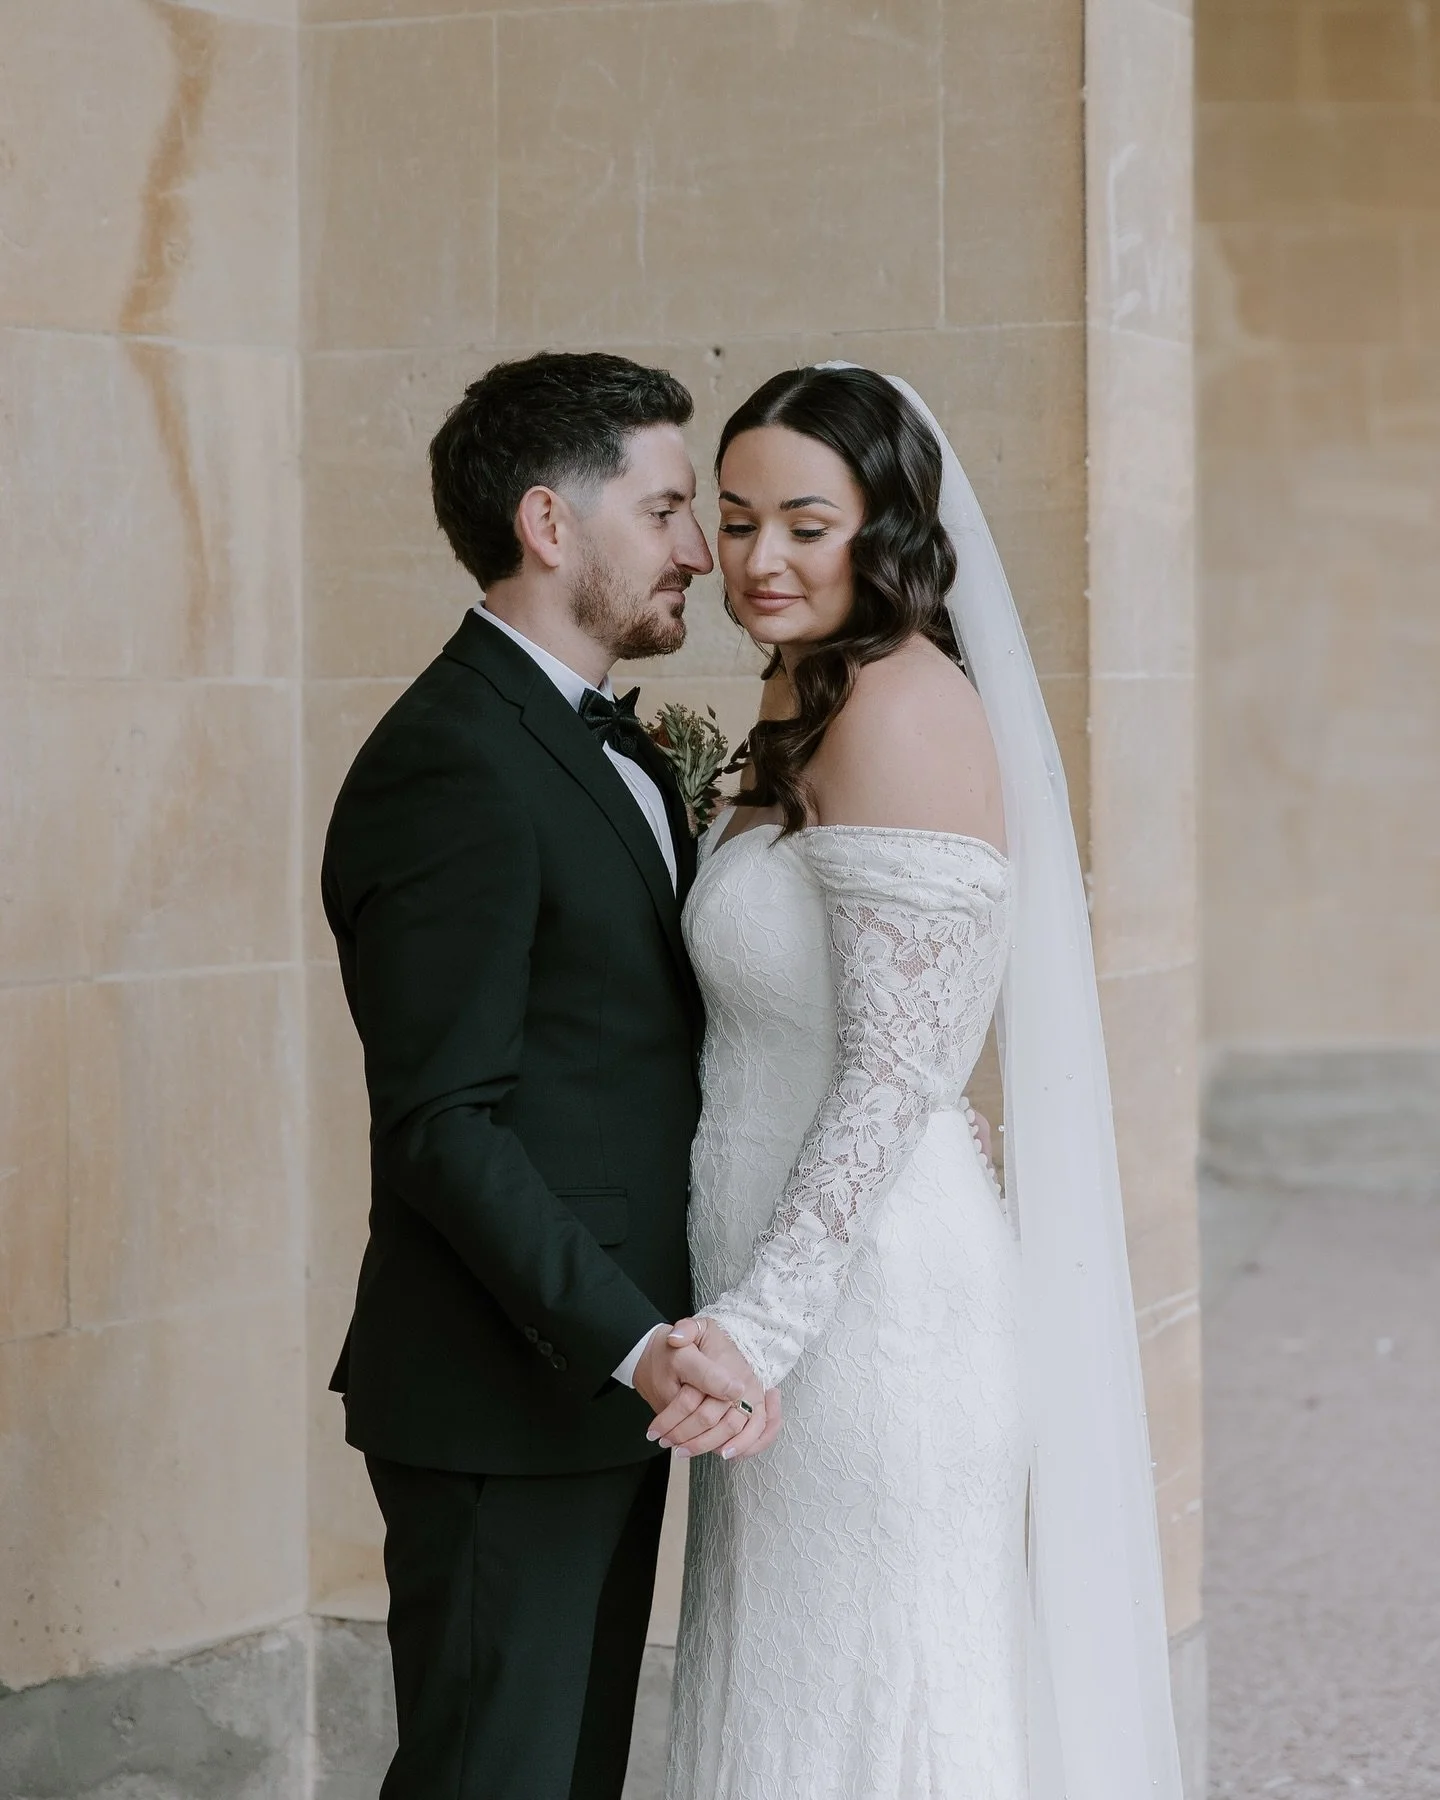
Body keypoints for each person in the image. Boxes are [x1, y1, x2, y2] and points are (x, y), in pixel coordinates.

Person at [654, 365, 1184, 1800]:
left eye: (807, 525)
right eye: (737, 520)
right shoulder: (809, 698)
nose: (761, 560)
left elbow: (896, 1077)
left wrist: (758, 1329)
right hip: (786, 1305)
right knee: (786, 1689)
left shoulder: (898, 707)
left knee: (877, 1705)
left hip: (865, 1317)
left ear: (885, 531)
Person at [319, 351, 770, 1800]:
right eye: (668, 509)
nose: (699, 551)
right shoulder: (451, 760)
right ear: (549, 524)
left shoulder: (595, 738)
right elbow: (443, 1126)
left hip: (599, 1387)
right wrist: (632, 1342)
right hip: (506, 1388)